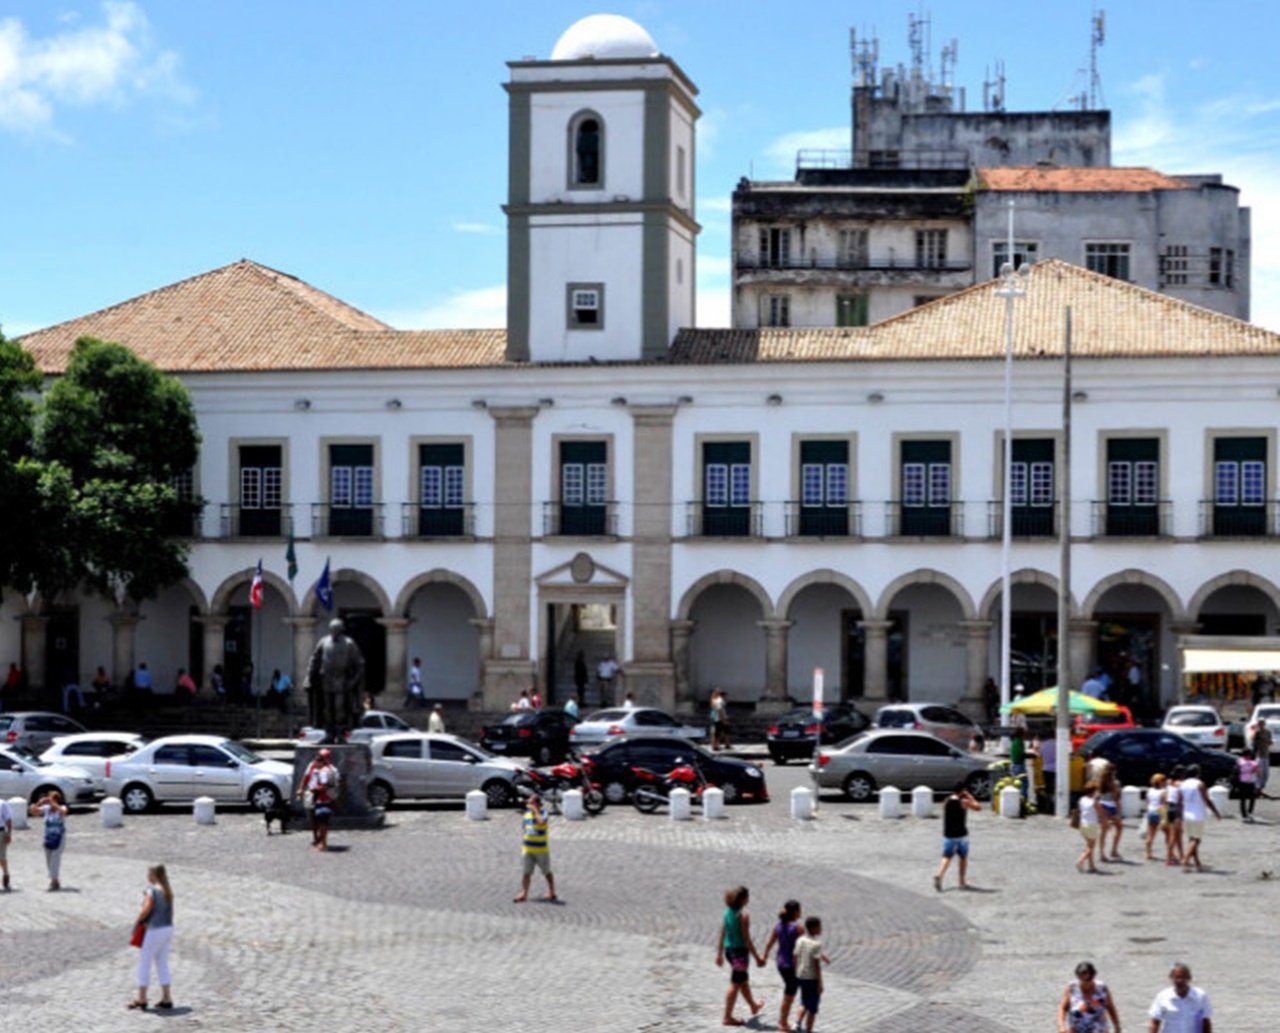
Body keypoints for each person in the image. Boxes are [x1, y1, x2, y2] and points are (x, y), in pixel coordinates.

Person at [305, 618, 366, 737]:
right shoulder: (324, 642)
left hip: (342, 682)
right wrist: (309, 677)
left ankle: (340, 734)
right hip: (326, 681)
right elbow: (314, 659)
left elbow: (359, 664)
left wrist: (353, 681)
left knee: (340, 709)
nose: (334, 632)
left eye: (336, 629)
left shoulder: (349, 643)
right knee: (327, 709)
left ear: (341, 630)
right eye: (332, 629)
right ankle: (329, 734)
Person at [129, 864, 175, 1011]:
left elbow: (146, 908)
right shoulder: (168, 891)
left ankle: (141, 997)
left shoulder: (152, 890)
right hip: (167, 928)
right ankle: (167, 997)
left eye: (149, 873)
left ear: (153, 875)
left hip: (154, 929)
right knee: (162, 963)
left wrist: (139, 920)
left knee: (145, 962)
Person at [715, 885, 764, 1027]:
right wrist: (757, 958)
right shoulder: (743, 915)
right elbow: (746, 938)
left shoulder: (727, 912)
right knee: (736, 983)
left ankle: (753, 1006)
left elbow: (722, 932)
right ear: (744, 899)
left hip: (729, 950)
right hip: (739, 953)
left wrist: (719, 954)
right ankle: (727, 1017)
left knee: (743, 980)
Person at [759, 899, 803, 1033]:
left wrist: (764, 956)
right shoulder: (798, 928)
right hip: (792, 965)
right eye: (799, 910)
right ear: (795, 912)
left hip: (781, 963)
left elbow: (769, 943)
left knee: (789, 992)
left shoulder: (778, 926)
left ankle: (783, 1022)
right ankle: (782, 1023)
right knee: (789, 994)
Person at [934, 787, 981, 891]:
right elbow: (978, 807)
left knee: (947, 856)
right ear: (962, 792)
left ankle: (940, 875)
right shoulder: (963, 802)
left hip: (949, 834)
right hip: (961, 834)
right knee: (963, 857)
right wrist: (970, 797)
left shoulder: (947, 801)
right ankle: (962, 881)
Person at [513, 793, 556, 903]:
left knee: (546, 871)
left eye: (531, 802)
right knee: (526, 872)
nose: (528, 804)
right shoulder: (526, 815)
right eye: (528, 802)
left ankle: (551, 891)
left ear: (537, 804)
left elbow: (541, 822)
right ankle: (524, 893)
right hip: (528, 849)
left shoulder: (543, 813)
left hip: (541, 850)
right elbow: (525, 828)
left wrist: (535, 811)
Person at [1057, 960, 1121, 1033]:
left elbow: (1110, 1007)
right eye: (1082, 977)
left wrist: (1117, 1026)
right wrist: (1061, 1026)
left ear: (1093, 976)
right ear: (1078, 976)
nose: (1086, 980)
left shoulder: (1102, 988)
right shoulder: (1072, 988)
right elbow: (1062, 1008)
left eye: (1089, 977)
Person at [1148, 962, 1212, 1033]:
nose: (1180, 981)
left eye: (1183, 977)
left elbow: (1206, 1022)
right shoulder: (1163, 996)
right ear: (1171, 978)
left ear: (1189, 978)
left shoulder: (1200, 996)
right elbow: (1155, 1022)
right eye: (1177, 977)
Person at [1178, 764, 1220, 871]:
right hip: (1197, 814)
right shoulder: (1200, 784)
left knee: (1191, 838)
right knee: (1197, 839)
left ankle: (1197, 862)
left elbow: (1180, 801)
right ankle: (1186, 860)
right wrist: (1215, 812)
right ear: (1198, 773)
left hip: (1186, 813)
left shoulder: (1182, 784)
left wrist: (1179, 814)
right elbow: (1207, 800)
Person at [793, 916, 828, 1033]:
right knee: (812, 1008)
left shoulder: (800, 940)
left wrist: (796, 972)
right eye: (819, 926)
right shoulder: (816, 944)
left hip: (801, 976)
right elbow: (816, 966)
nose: (821, 929)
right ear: (814, 928)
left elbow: (795, 956)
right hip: (812, 978)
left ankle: (796, 1023)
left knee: (804, 1001)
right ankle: (809, 1029)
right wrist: (820, 984)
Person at [298, 749, 339, 851]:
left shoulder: (331, 770)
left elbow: (333, 785)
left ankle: (322, 840)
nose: (319, 760)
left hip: (323, 797)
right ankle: (316, 837)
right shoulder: (312, 765)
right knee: (312, 816)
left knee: (322, 819)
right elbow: (306, 777)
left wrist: (317, 789)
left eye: (322, 758)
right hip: (313, 795)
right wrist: (301, 788)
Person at [30, 789, 67, 890]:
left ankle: (53, 880)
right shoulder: (46, 809)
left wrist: (53, 804)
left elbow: (63, 812)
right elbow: (32, 811)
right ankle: (55, 879)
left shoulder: (62, 807)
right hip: (48, 837)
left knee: (55, 857)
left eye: (53, 799)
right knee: (49, 859)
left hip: (60, 836)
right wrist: (39, 802)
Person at [1097, 760, 1123, 861]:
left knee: (1103, 830)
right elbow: (1115, 798)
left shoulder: (1101, 780)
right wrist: (1119, 811)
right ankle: (1114, 850)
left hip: (1102, 804)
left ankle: (1102, 853)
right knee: (1119, 827)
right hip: (1111, 806)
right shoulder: (1115, 783)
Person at [1075, 782, 1101, 874]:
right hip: (1092, 825)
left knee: (1089, 845)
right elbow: (1101, 814)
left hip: (1083, 824)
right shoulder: (1094, 802)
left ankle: (1091, 865)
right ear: (1094, 791)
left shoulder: (1082, 799)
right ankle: (1080, 860)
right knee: (1091, 846)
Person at [1144, 773, 1168, 861]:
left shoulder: (1149, 790)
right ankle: (1171, 853)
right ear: (1161, 782)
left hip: (1151, 811)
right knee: (1168, 834)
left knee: (1151, 834)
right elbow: (1164, 804)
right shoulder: (1163, 792)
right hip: (1160, 812)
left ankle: (1148, 853)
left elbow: (1147, 802)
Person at [1164, 768, 1185, 866]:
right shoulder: (1179, 784)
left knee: (1175, 834)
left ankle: (1181, 855)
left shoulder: (1168, 783)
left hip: (1169, 808)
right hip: (1177, 808)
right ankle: (1169, 858)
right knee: (1176, 835)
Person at [1247, 717, 1272, 795]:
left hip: (1266, 754)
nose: (1261, 725)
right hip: (1259, 755)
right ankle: (1257, 788)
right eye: (1259, 723)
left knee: (1266, 774)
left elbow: (1270, 741)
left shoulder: (1268, 732)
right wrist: (1256, 730)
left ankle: (1261, 787)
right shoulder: (1257, 732)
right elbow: (1252, 740)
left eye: (1262, 723)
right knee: (1259, 773)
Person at [1237, 748, 1259, 822]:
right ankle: (1250, 812)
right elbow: (1257, 772)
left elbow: (1237, 770)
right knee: (1252, 798)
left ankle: (1243, 814)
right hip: (1250, 782)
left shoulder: (1239, 761)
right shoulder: (1254, 763)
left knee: (1242, 799)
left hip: (1242, 781)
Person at [0, 796, 12, 891]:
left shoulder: (2, 803)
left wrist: (8, 833)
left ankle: (5, 874)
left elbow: (8, 819)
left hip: (0, 832)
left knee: (1, 857)